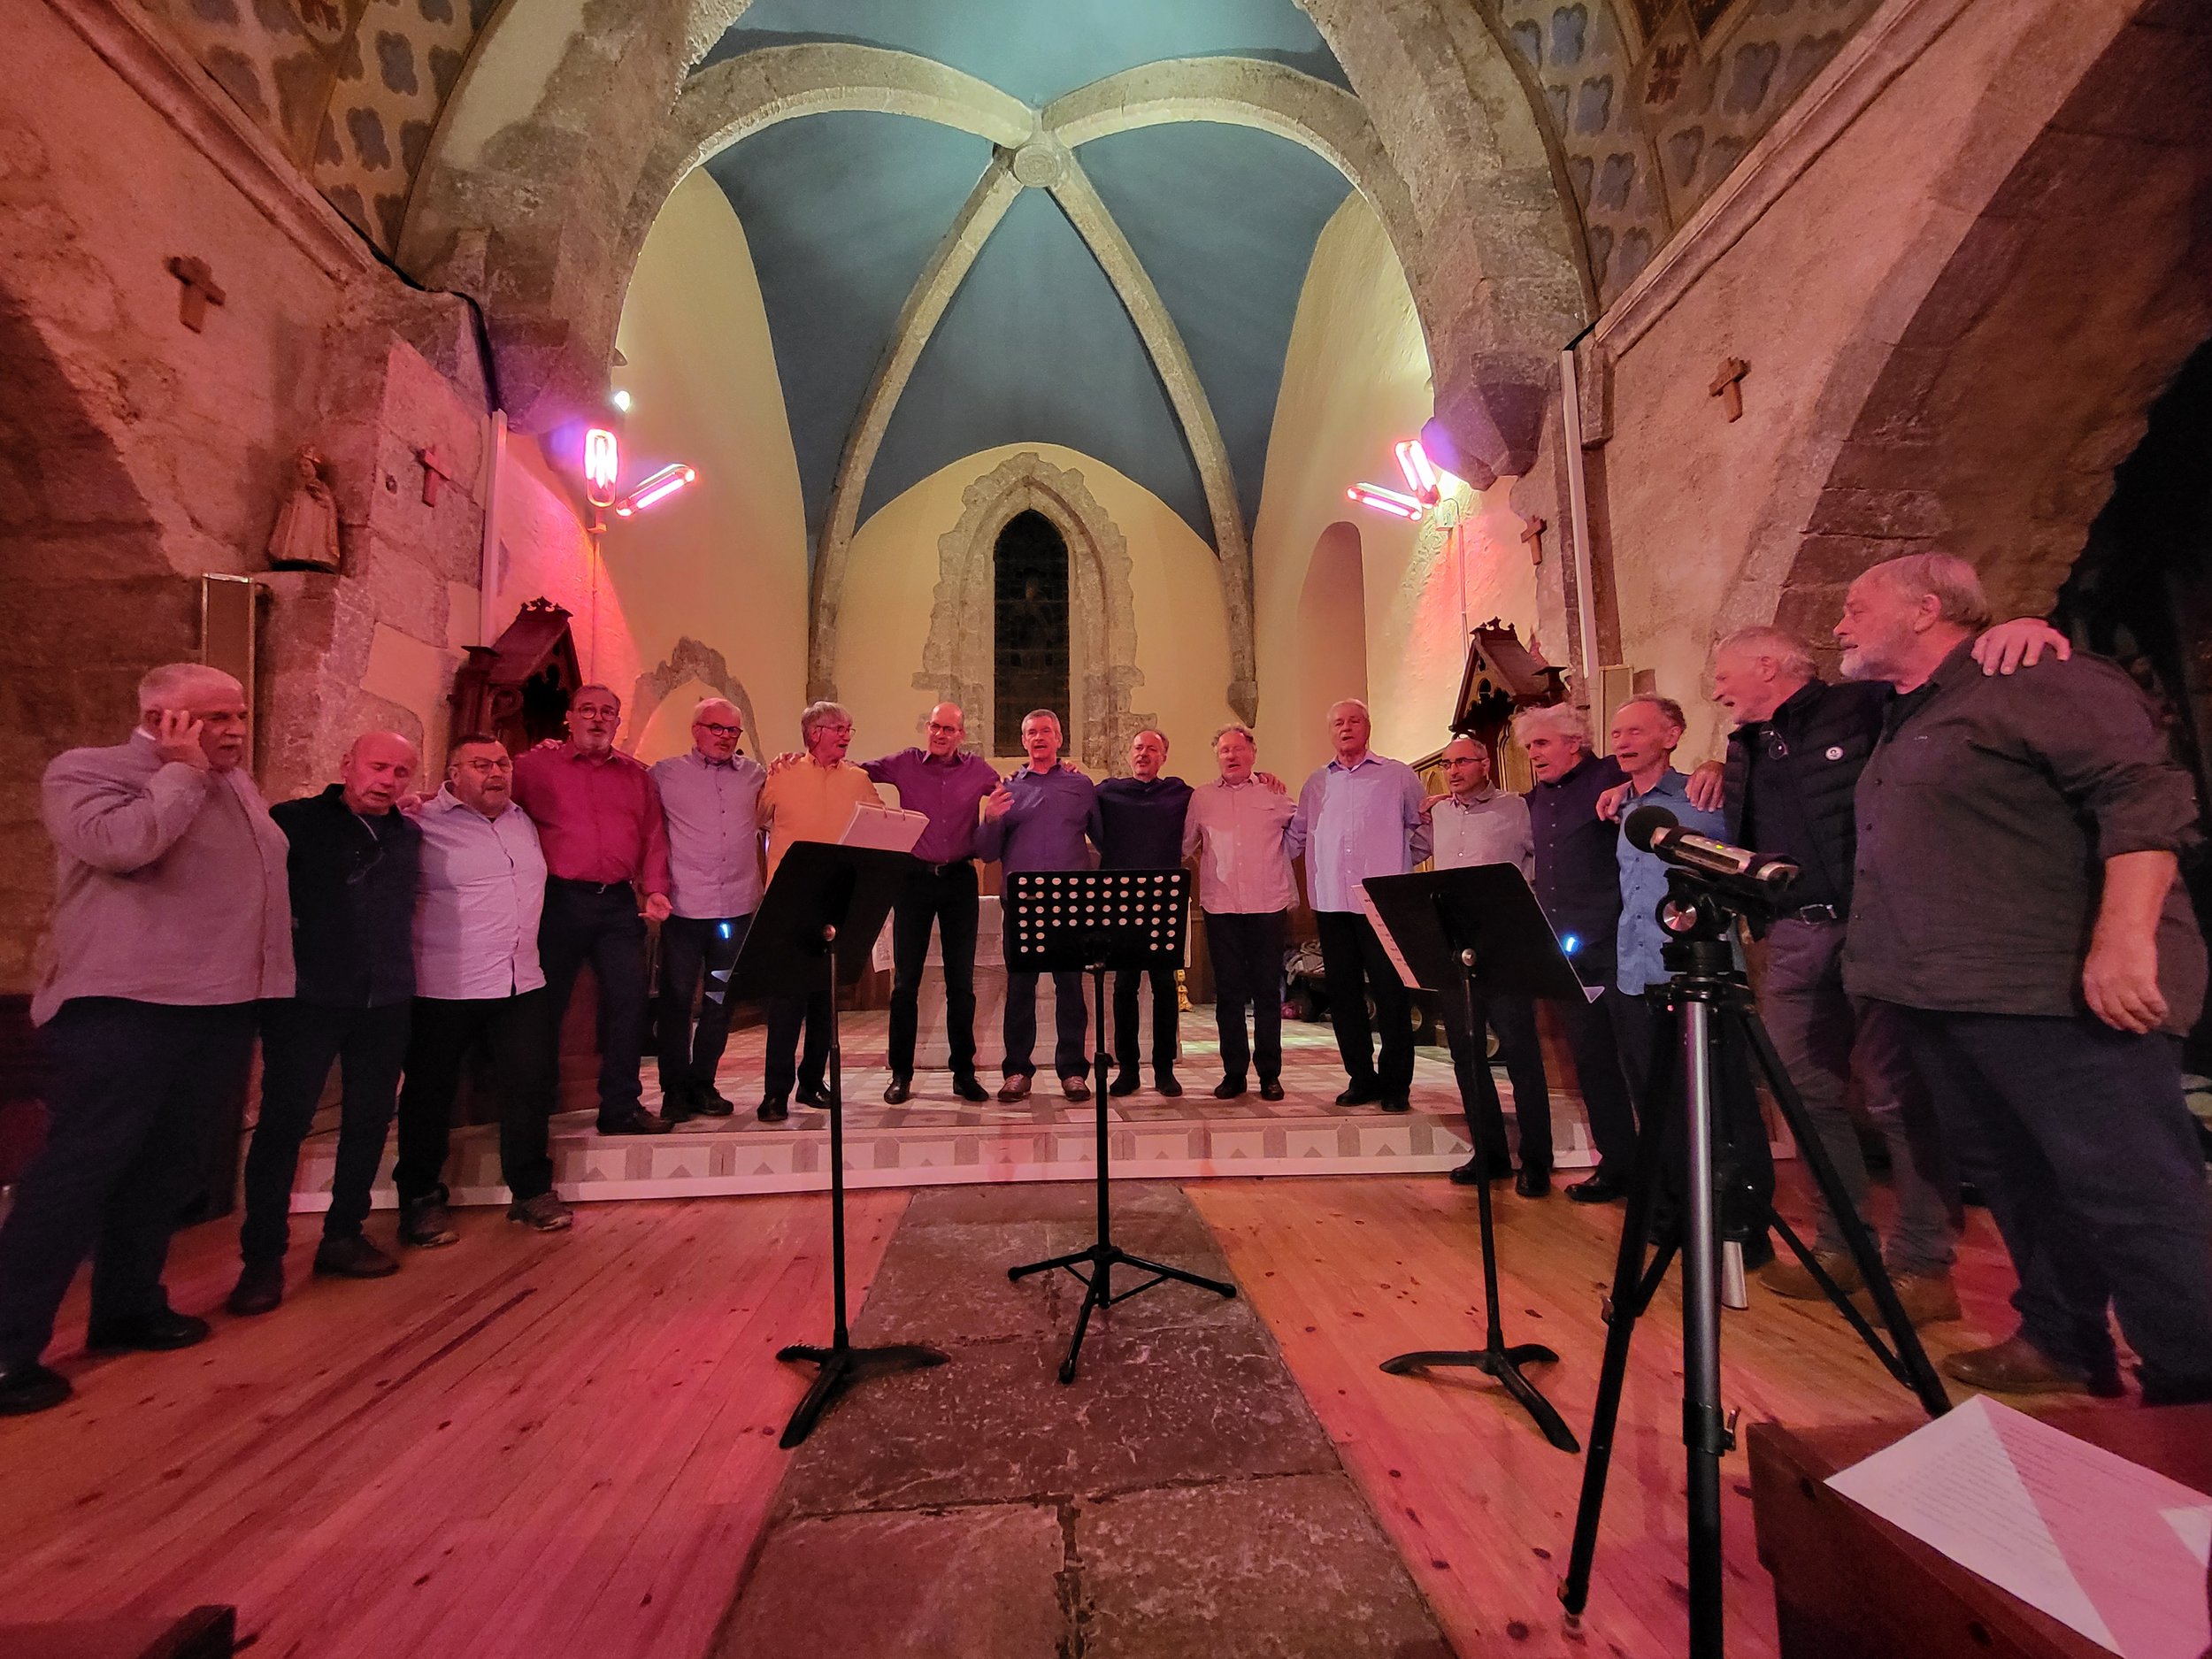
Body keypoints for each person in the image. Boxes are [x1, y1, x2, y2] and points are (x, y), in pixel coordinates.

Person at [1839, 552, 2212, 1403]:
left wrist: (2124, 941)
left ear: (1925, 609)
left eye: (1857, 606)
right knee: (2019, 1180)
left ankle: (2194, 1384)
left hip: (2056, 988)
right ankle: (2061, 1336)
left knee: (2134, 1190)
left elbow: (2144, 797)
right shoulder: (1914, 708)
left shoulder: (2039, 674)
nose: (1840, 623)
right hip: (1950, 993)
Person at [0, 664, 292, 1416]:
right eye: (212, 718)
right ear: (163, 718)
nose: (232, 730)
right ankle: (7, 1346)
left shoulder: (234, 783)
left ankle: (128, 1306)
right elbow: (123, 846)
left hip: (219, 1004)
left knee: (167, 1168)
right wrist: (182, 773)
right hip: (125, 1007)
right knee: (78, 1169)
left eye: (238, 714)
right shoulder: (88, 771)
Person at [228, 732, 423, 1317]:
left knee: (369, 1119)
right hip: (306, 997)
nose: (389, 780)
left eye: (402, 772)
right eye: (379, 766)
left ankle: (343, 1233)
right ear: (347, 765)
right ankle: (262, 1257)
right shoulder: (294, 821)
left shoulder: (408, 833)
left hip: (385, 998)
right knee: (283, 1125)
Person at [1607, 694, 1775, 1260]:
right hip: (1636, 973)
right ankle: (1675, 1212)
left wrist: (1719, 769)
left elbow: (1745, 867)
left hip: (1703, 973)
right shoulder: (1626, 807)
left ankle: (1741, 1227)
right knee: (1657, 1104)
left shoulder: (1705, 799)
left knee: (1722, 1099)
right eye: (1616, 733)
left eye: (1635, 731)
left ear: (1672, 734)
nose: (1623, 742)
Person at [393, 735, 568, 1241]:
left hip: (521, 979)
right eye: (481, 764)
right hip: (445, 984)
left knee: (530, 1087)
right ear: (451, 773)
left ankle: (531, 1191)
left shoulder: (521, 820)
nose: (496, 772)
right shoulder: (420, 822)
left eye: (503, 763)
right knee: (430, 1094)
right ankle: (421, 1198)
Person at [511, 685, 672, 1137]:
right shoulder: (532, 767)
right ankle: (533, 1109)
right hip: (557, 900)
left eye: (607, 712)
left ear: (617, 723)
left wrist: (655, 888)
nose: (597, 719)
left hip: (618, 904)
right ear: (569, 718)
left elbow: (653, 836)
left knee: (629, 1003)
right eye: (588, 710)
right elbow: (492, 805)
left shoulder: (637, 777)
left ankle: (620, 1107)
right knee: (544, 1008)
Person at [1516, 702, 1638, 1202]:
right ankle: (1618, 1163)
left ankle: (1666, 1171)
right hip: (1568, 952)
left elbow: (1669, 783)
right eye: (1528, 747)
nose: (1533, 755)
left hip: (1619, 945)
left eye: (1541, 744)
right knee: (1591, 1061)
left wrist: (1714, 769)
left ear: (1574, 742)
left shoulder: (1611, 776)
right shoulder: (1534, 800)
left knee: (1639, 1060)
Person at [1286, 700, 1431, 1112]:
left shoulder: (1398, 776)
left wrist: (1399, 864)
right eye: (1338, 723)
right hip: (1332, 901)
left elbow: (1423, 828)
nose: (1346, 728)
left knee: (1391, 992)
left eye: (1354, 721)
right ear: (1330, 732)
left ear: (1368, 727)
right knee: (1344, 995)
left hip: (1382, 901)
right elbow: (1297, 835)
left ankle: (1396, 1083)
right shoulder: (1316, 783)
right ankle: (1361, 1077)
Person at [1425, 734, 1553, 1196]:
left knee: (1520, 1052)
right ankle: (1491, 1153)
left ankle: (1537, 1158)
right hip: (1454, 946)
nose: (1454, 770)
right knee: (1466, 1052)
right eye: (1447, 764)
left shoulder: (1517, 808)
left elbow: (1542, 860)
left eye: (1462, 761)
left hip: (1505, 945)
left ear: (1486, 764)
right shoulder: (1438, 812)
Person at [855, 703, 999, 1104]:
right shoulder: (903, 763)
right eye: (935, 726)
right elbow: (855, 769)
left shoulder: (979, 771)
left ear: (961, 735)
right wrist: (807, 758)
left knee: (961, 984)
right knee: (905, 983)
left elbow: (1014, 788)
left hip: (959, 881)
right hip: (913, 879)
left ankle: (964, 1073)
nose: (940, 734)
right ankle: (901, 1072)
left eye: (949, 729)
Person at [755, 701, 883, 1121]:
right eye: (838, 728)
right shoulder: (782, 773)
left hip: (837, 902)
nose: (847, 735)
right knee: (787, 1001)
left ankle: (812, 1083)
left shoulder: (860, 780)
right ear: (814, 734)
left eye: (849, 728)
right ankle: (776, 1092)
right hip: (789, 902)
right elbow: (755, 819)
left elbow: (879, 826)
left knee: (825, 1002)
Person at [649, 698, 764, 1124]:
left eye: (732, 731)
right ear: (696, 729)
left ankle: (703, 1083)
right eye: (716, 728)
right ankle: (674, 1090)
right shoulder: (664, 774)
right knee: (677, 1002)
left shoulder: (755, 775)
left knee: (720, 1000)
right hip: (685, 909)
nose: (725, 737)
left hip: (734, 911)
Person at [979, 709, 1102, 1102]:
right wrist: (991, 818)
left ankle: (1073, 1071)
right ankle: (1017, 1070)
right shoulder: (1009, 786)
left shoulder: (1081, 785)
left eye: (1046, 731)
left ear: (1059, 737)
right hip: (1023, 903)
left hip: (1071, 902)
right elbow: (986, 852)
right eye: (1031, 732)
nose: (1039, 737)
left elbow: (1104, 839)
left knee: (1070, 988)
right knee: (1020, 988)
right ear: (1023, 741)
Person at [1184, 725, 1297, 1101]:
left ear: (1253, 752)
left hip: (1268, 904)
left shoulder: (1274, 793)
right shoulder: (1201, 798)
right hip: (1221, 906)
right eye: (1223, 751)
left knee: (1267, 993)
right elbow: (1185, 845)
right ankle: (1234, 1073)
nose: (1230, 756)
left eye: (1237, 749)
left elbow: (1301, 832)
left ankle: (1269, 1074)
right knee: (1228, 994)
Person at [1097, 728, 1194, 1097]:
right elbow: (1082, 809)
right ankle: (1129, 1070)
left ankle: (1164, 1069)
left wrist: (1262, 778)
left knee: (1165, 986)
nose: (1143, 754)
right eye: (1138, 748)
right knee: (1124, 987)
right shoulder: (1108, 792)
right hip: (1120, 902)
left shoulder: (1180, 793)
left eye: (1152, 749)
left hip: (1164, 902)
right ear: (1129, 753)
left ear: (1164, 757)